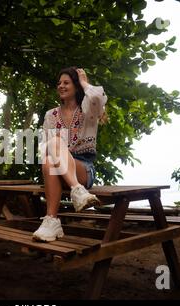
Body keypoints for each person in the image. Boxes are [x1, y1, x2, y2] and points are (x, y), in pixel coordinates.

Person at [32, 66, 108, 242]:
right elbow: (43, 149)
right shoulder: (50, 115)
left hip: (84, 168)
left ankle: (75, 191)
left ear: (76, 86)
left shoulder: (88, 110)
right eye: (59, 83)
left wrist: (84, 82)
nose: (61, 86)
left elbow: (97, 96)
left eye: (66, 82)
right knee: (50, 156)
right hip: (55, 170)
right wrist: (57, 147)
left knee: (52, 152)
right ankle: (54, 219)